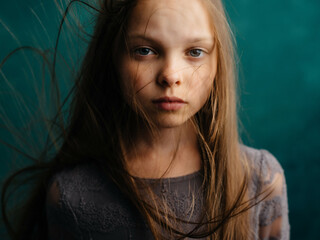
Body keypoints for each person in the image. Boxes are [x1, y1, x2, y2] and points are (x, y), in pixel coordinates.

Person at [1, 0, 290, 239]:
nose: (171, 76)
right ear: (113, 57)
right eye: (145, 51)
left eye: (195, 52)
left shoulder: (260, 181)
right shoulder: (68, 196)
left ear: (218, 64)